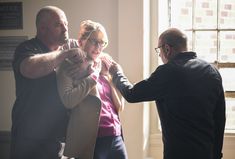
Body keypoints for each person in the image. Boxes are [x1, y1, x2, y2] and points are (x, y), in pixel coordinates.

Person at [109, 28, 226, 159]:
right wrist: (216, 154)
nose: (159, 55)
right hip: (206, 152)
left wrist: (117, 73)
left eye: (159, 50)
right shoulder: (212, 71)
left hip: (178, 153)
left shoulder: (168, 72)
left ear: (167, 49)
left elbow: (131, 94)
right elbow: (220, 117)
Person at [10, 6, 85, 159]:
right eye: (58, 25)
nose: (65, 29)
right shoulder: (27, 48)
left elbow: (97, 56)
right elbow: (29, 68)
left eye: (66, 24)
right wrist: (64, 54)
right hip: (29, 140)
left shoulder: (71, 48)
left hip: (59, 139)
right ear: (43, 29)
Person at [56, 20, 128, 159]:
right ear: (81, 41)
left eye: (102, 43)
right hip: (91, 141)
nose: (99, 47)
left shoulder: (105, 64)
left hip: (116, 136)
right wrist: (93, 76)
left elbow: (119, 106)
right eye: (94, 41)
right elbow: (68, 101)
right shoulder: (68, 66)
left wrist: (107, 76)